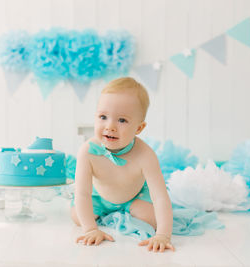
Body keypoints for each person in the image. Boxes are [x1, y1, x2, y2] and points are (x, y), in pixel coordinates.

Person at [71, 77, 174, 252]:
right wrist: (90, 229)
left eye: (122, 120)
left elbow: (160, 197)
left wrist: (163, 235)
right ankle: (102, 216)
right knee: (77, 216)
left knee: (152, 219)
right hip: (99, 197)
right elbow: (82, 193)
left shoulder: (145, 155)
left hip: (133, 197)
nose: (110, 126)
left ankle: (125, 212)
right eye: (103, 117)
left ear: (139, 128)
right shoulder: (88, 151)